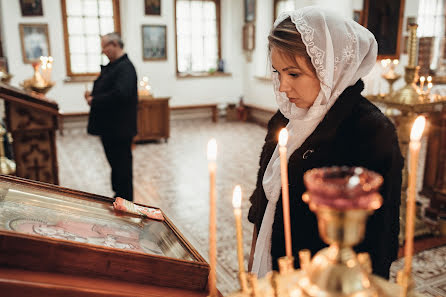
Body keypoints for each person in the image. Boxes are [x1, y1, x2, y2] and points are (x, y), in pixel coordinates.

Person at [247, 6, 404, 279]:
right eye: (278, 72)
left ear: (329, 69)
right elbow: (264, 197)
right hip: (273, 266)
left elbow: (379, 236)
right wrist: (254, 257)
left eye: (293, 74)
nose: (283, 87)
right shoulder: (285, 119)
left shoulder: (370, 131)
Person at [84, 32, 138, 201]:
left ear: (114, 44)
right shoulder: (114, 65)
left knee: (122, 167)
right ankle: (118, 197)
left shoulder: (126, 67)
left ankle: (126, 201)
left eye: (105, 47)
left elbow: (120, 94)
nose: (103, 52)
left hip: (119, 129)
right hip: (110, 128)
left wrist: (95, 99)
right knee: (116, 166)